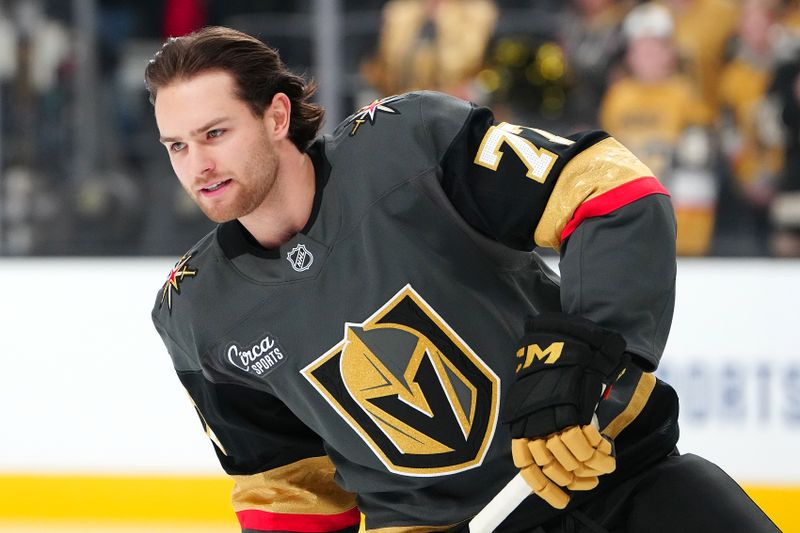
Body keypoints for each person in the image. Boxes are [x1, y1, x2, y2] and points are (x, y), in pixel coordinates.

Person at [146, 26, 779, 532]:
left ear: (277, 116)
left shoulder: (406, 144)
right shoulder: (197, 311)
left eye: (215, 134)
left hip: (623, 482)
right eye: (177, 146)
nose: (198, 165)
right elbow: (287, 487)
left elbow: (612, 193)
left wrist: (582, 355)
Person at [599, 3, 716, 256]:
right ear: (630, 54)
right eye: (642, 49)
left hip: (671, 186)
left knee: (693, 179)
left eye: (655, 48)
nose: (649, 56)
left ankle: (686, 247)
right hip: (633, 186)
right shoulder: (618, 96)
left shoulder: (684, 93)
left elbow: (700, 149)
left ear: (670, 52)